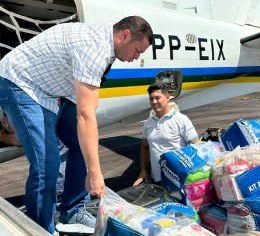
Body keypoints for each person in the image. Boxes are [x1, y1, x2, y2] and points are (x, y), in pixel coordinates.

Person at [0, 16, 153, 235]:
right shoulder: (95, 50)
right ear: (125, 35)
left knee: (84, 144)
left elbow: (86, 117)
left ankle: (72, 211)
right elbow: (85, 116)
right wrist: (95, 174)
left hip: (52, 89)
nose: (136, 57)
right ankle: (40, 229)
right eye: (138, 51)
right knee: (47, 165)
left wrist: (92, 164)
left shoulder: (109, 41)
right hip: (20, 83)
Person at [134, 83, 200, 186]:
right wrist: (143, 170)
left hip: (179, 180)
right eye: (151, 99)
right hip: (157, 180)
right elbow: (145, 147)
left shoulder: (181, 119)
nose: (154, 102)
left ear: (167, 97)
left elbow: (197, 145)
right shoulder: (148, 123)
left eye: (157, 98)